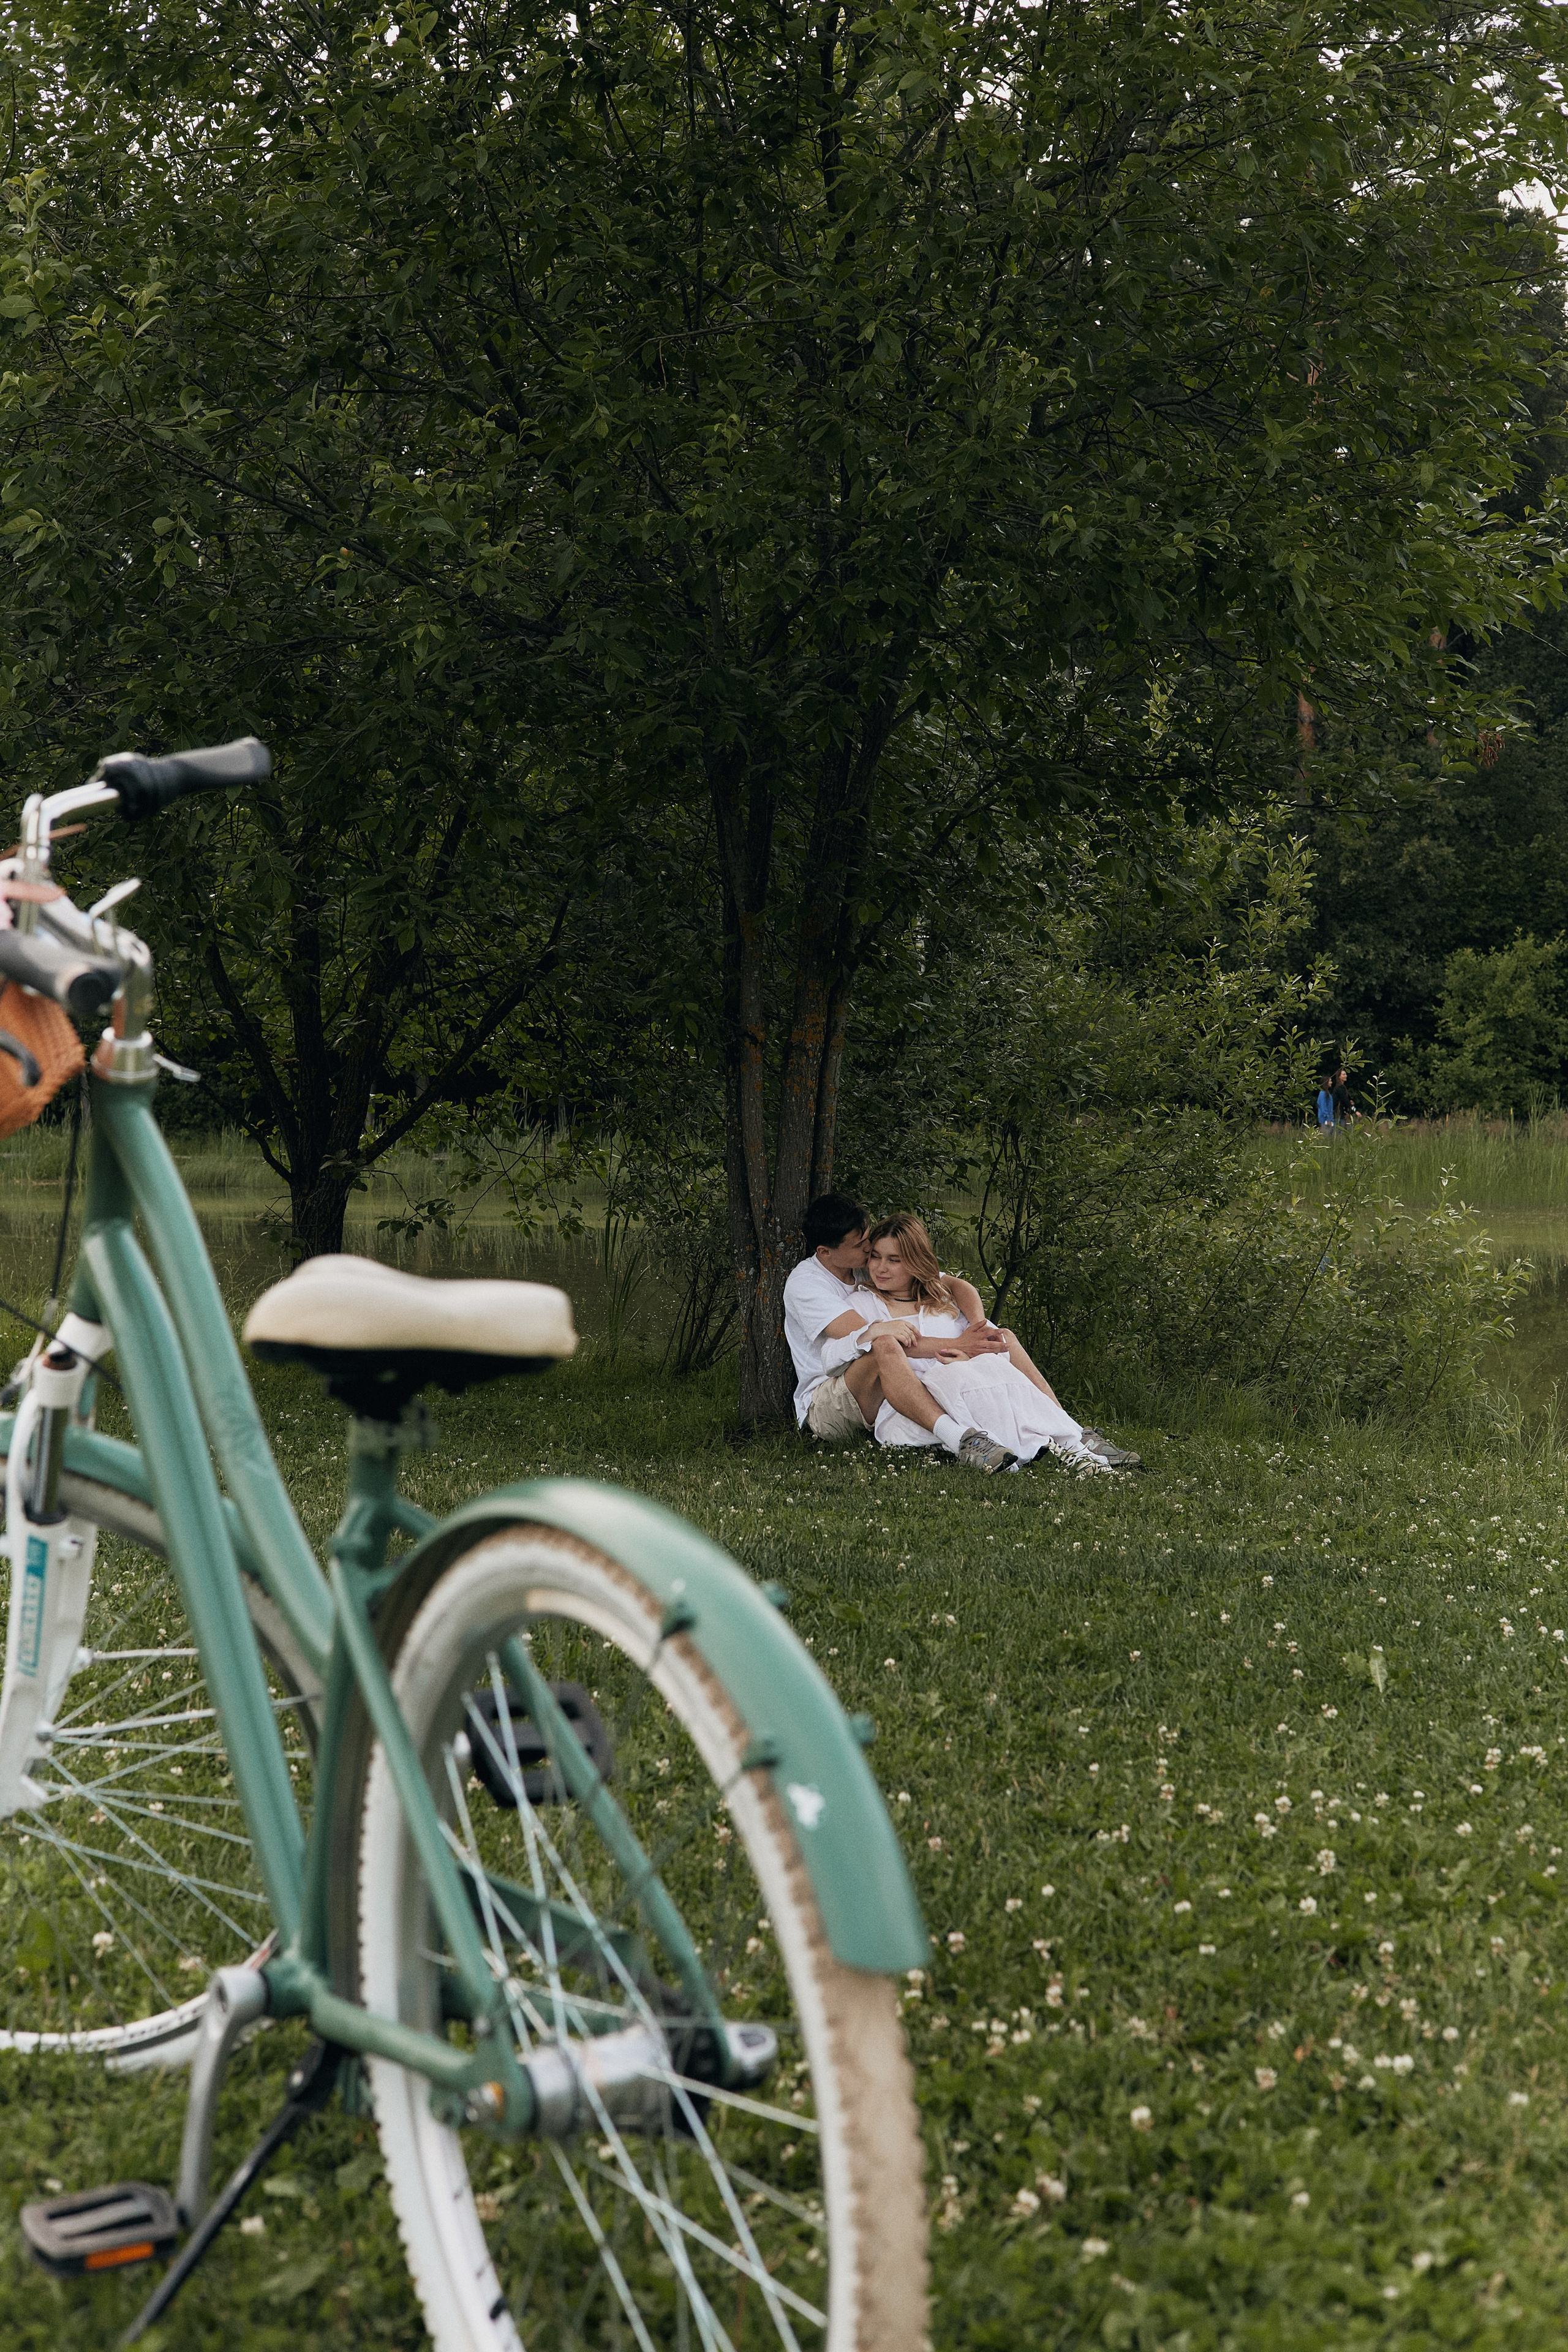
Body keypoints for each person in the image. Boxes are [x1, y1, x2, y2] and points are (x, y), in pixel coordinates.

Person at [821, 1213, 1140, 1470]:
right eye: (876, 1257)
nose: (879, 1268)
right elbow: (834, 1357)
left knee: (1002, 1341)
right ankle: (1059, 1441)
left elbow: (978, 1335)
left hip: (968, 1385)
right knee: (980, 1385)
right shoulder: (863, 1304)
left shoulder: (943, 1300)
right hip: (919, 1403)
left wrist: (969, 1353)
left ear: (916, 1262)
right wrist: (875, 1332)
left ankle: (1073, 1435)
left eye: (894, 1260)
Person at [782, 1196, 1021, 1470]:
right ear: (825, 1252)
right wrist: (961, 1344)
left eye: (867, 1239)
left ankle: (1061, 1426)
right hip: (831, 1399)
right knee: (884, 1344)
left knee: (1002, 1336)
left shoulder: (865, 1264)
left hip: (891, 1382)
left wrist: (979, 1328)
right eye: (860, 1246)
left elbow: (955, 1285)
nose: (869, 1249)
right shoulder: (807, 1285)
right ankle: (961, 1439)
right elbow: (879, 1342)